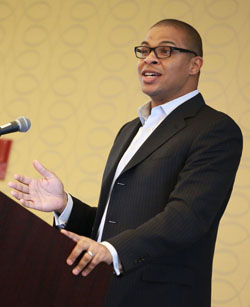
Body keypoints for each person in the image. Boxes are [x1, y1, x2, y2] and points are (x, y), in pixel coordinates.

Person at [9, 19, 243, 307]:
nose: (150, 58)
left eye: (165, 50)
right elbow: (115, 224)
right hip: (100, 292)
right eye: (144, 51)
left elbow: (188, 216)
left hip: (162, 296)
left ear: (195, 64)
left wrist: (112, 250)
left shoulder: (214, 129)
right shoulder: (129, 130)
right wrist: (65, 206)